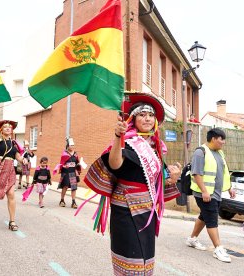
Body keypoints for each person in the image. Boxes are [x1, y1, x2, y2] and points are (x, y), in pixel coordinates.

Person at [84, 92, 181, 275]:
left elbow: (159, 181)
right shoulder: (127, 142)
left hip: (148, 211)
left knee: (144, 257)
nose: (148, 118)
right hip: (126, 208)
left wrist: (173, 178)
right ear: (134, 118)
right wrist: (117, 137)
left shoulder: (155, 148)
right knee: (129, 257)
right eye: (142, 114)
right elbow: (115, 164)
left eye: (151, 115)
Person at [185, 128, 235, 263]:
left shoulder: (219, 153)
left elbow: (223, 172)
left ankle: (192, 239)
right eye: (221, 139)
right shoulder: (200, 152)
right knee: (212, 219)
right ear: (213, 138)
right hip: (205, 194)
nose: (223, 142)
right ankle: (218, 248)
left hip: (216, 193)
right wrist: (204, 191)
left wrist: (229, 187)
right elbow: (196, 173)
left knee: (204, 216)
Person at [55, 137, 82, 209]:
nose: (72, 146)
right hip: (66, 172)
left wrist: (79, 165)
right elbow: (61, 164)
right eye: (71, 145)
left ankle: (73, 202)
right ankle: (62, 200)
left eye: (73, 145)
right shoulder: (64, 154)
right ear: (67, 146)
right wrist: (64, 166)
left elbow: (77, 163)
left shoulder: (75, 154)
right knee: (65, 186)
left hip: (73, 172)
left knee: (74, 188)